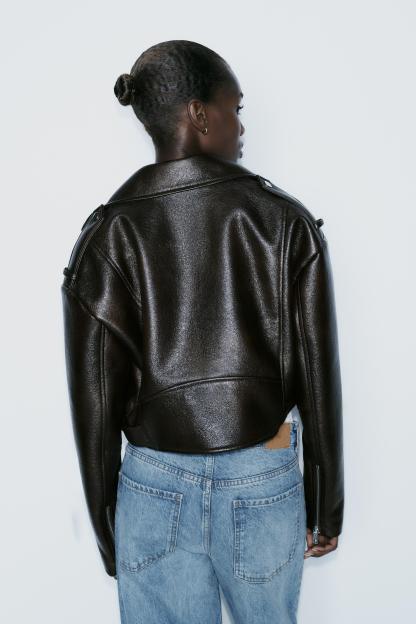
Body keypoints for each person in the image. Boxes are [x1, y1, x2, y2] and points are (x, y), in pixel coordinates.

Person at [61, 40, 344, 623]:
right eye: (234, 108)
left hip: (152, 482)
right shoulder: (284, 221)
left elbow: (94, 399)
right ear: (198, 114)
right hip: (261, 470)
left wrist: (108, 523)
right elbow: (319, 375)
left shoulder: (107, 235)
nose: (241, 125)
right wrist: (326, 504)